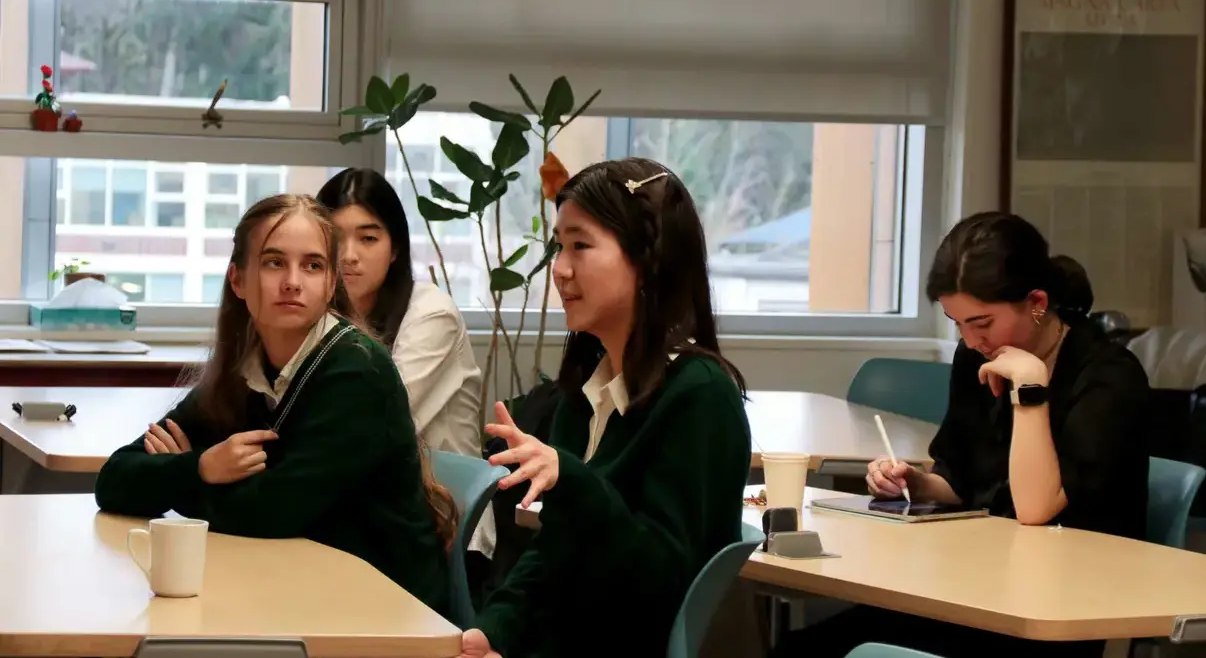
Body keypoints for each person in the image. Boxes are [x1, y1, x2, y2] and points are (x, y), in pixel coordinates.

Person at [774, 211, 1150, 658]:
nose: (971, 341)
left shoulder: (1108, 376)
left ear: (1036, 303)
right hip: (979, 583)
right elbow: (963, 483)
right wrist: (914, 483)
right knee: (805, 649)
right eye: (957, 323)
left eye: (982, 323)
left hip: (1060, 608)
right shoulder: (976, 358)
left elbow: (1035, 509)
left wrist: (1030, 386)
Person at [94, 194, 455, 617]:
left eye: (312, 266)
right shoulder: (243, 370)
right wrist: (202, 467)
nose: (292, 282)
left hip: (385, 610)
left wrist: (184, 482)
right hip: (295, 589)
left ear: (331, 284)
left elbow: (272, 513)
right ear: (238, 280)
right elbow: (115, 480)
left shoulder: (358, 370)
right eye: (274, 262)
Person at [458, 158, 752, 658]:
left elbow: (658, 584)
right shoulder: (586, 392)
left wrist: (570, 480)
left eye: (580, 245)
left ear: (646, 259)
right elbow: (553, 556)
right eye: (559, 246)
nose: (560, 269)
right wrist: (491, 634)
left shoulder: (701, 396)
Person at [316, 167, 494, 580]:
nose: (349, 255)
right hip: (361, 520)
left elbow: (364, 426)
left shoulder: (431, 314)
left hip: (442, 533)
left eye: (368, 238)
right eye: (336, 238)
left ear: (395, 248)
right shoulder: (321, 315)